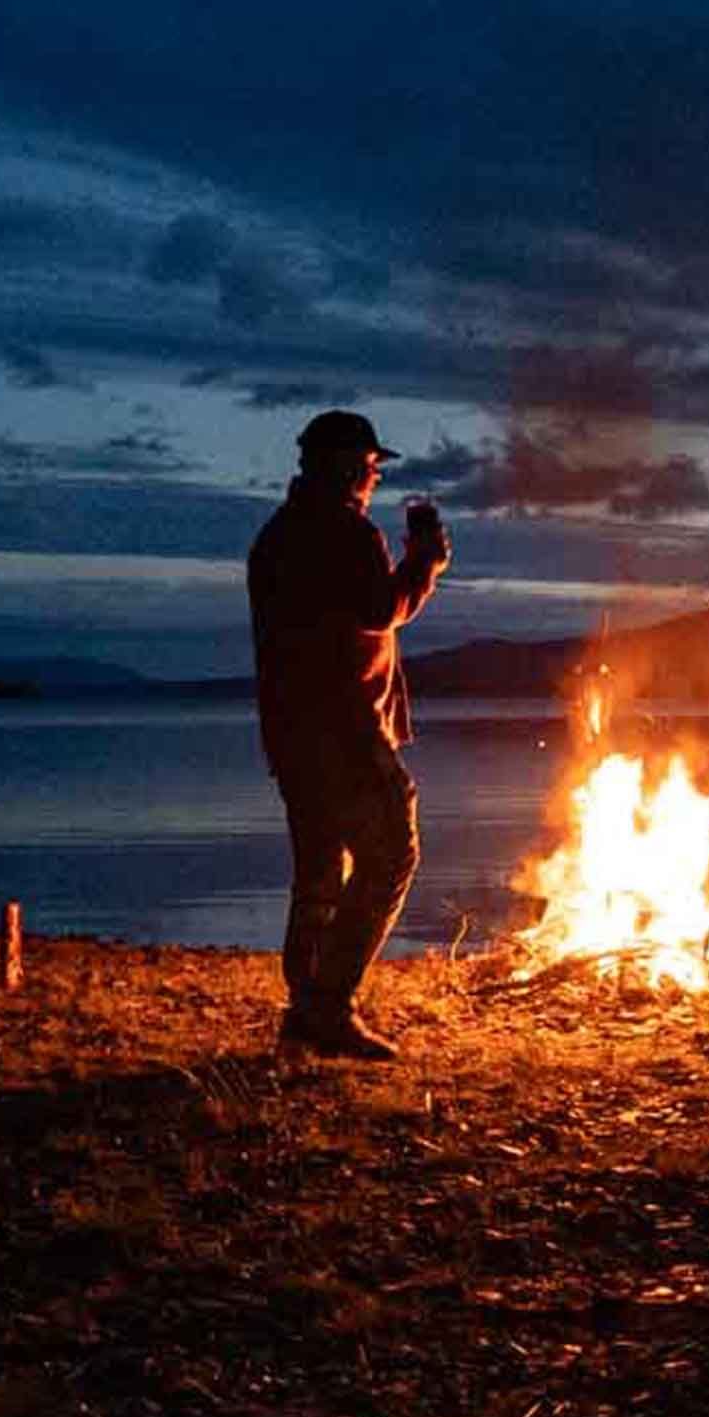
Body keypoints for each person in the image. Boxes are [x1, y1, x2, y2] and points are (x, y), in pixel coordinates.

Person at [247, 408, 451, 1058]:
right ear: (343, 467)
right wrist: (424, 564)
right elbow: (377, 611)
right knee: (392, 850)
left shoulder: (276, 536)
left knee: (321, 871)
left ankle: (304, 1012)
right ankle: (326, 1005)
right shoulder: (345, 532)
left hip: (291, 732)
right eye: (368, 468)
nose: (373, 480)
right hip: (343, 728)